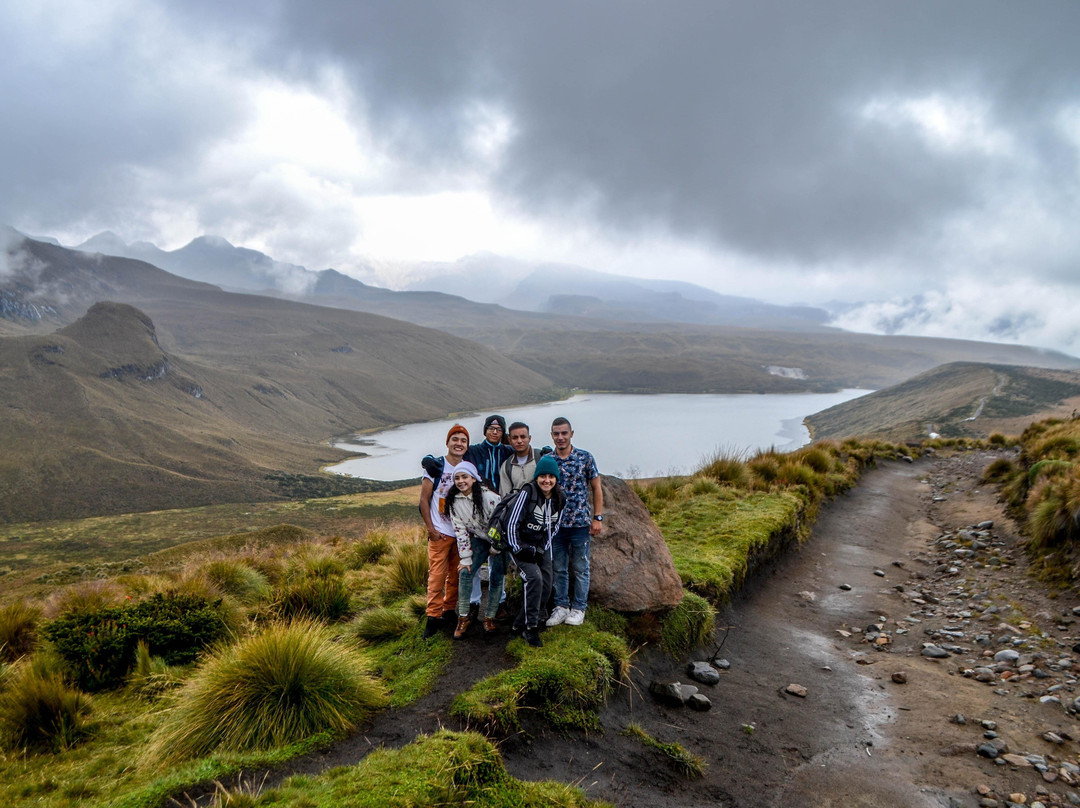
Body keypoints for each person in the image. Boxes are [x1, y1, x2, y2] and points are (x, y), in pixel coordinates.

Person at [545, 417, 603, 628]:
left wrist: (597, 517)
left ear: (571, 434)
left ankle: (579, 608)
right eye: (556, 433)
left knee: (581, 568)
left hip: (580, 524)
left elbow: (596, 487)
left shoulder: (585, 457)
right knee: (558, 568)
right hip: (555, 525)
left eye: (564, 433)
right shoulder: (549, 460)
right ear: (551, 435)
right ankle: (561, 607)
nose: (560, 437)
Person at [506, 455, 565, 647]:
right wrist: (519, 548)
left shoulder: (560, 498)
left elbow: (555, 527)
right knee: (534, 579)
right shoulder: (528, 493)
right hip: (520, 546)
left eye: (551, 476)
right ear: (537, 477)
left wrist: (542, 549)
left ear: (556, 478)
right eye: (543, 476)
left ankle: (521, 621)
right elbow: (512, 523)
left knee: (546, 584)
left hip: (541, 547)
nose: (546, 480)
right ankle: (530, 629)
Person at [419, 424, 469, 639]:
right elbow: (423, 500)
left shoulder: (467, 467)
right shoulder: (436, 467)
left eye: (463, 440)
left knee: (455, 575)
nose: (458, 444)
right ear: (447, 443)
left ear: (467, 445)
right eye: (455, 439)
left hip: (460, 533)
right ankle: (432, 616)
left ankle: (449, 610)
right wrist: (431, 529)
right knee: (437, 576)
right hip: (440, 531)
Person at [445, 460, 504, 638]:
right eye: (457, 478)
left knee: (496, 577)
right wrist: (465, 558)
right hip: (480, 539)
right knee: (465, 572)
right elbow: (460, 531)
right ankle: (463, 617)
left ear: (473, 478)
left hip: (501, 541)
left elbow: (503, 524)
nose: (461, 481)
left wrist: (496, 547)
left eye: (465, 477)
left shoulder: (490, 498)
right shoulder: (454, 502)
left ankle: (490, 617)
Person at [499, 421, 542, 495]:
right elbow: (505, 496)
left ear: (529, 438)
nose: (519, 441)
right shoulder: (506, 466)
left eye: (523, 437)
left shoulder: (540, 458)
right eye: (515, 438)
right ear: (509, 440)